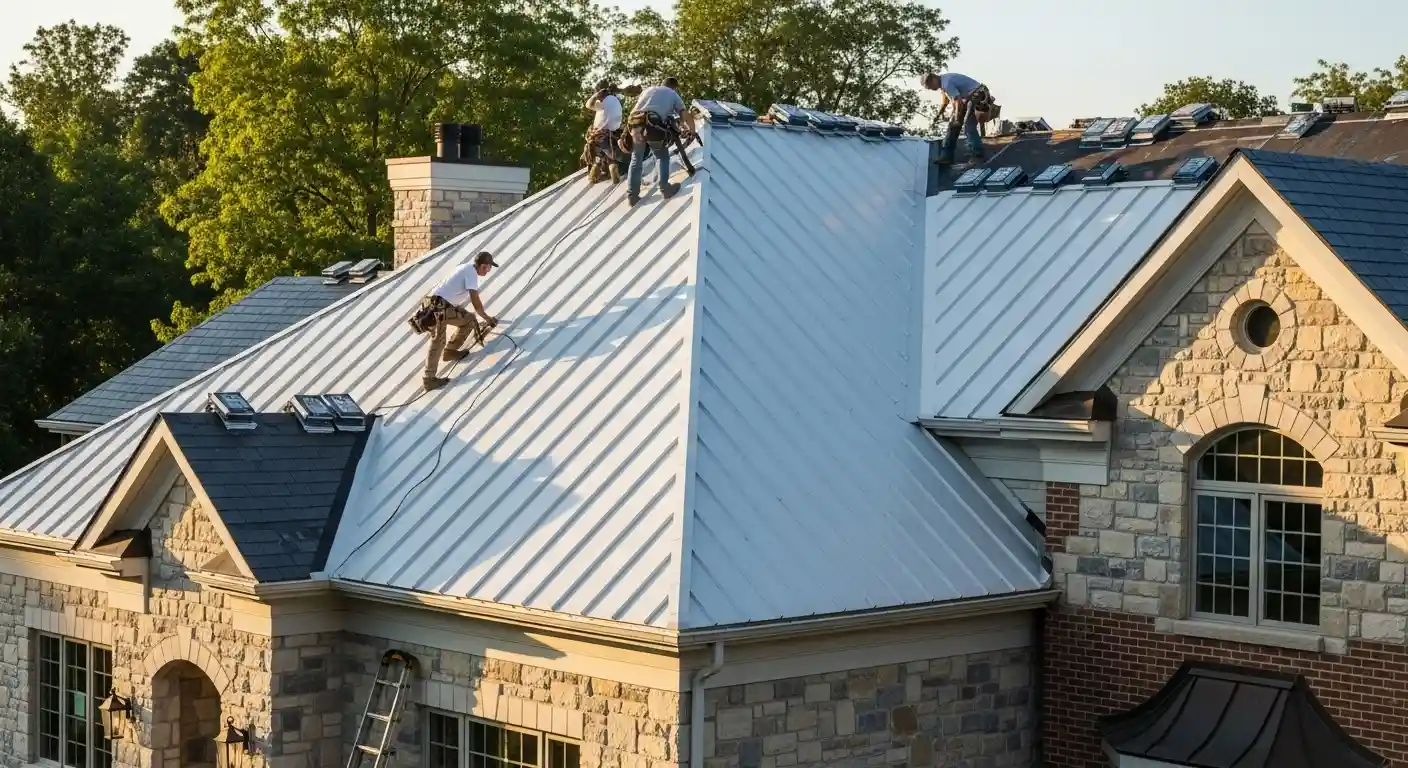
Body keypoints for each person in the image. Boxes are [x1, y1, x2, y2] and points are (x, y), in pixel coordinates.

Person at [420, 251, 499, 391]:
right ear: (483, 266)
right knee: (438, 340)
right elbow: (476, 301)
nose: (488, 271)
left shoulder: (466, 267)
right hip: (438, 307)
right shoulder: (471, 273)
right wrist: (488, 319)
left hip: (439, 305)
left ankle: (450, 350)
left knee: (469, 320)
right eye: (488, 268)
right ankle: (429, 379)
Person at [625, 76, 697, 206]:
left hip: (635, 124)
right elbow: (685, 115)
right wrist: (692, 130)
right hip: (652, 125)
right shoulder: (672, 94)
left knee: (636, 159)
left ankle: (632, 196)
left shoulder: (648, 90)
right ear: (674, 87)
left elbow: (634, 111)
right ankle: (665, 188)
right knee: (661, 156)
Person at [921, 72, 992, 167]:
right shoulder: (943, 85)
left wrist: (957, 117)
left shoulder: (947, 83)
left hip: (978, 95)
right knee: (952, 125)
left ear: (934, 79)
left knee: (968, 125)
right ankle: (946, 156)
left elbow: (958, 102)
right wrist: (938, 116)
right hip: (968, 98)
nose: (932, 89)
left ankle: (977, 155)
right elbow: (945, 102)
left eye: (930, 86)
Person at [583, 80, 624, 182]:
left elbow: (588, 105)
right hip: (614, 134)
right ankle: (612, 164)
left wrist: (596, 96)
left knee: (596, 147)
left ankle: (597, 166)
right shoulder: (617, 99)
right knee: (609, 152)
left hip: (601, 135)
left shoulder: (602, 103)